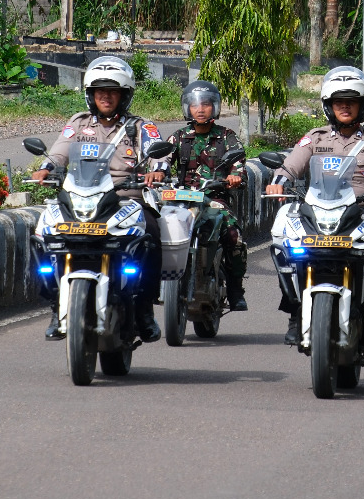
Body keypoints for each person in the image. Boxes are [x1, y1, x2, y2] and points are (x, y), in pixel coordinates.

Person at [265, 67, 364, 358]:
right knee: (287, 252)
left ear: (362, 105)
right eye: (338, 101)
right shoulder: (314, 138)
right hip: (318, 214)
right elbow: (290, 165)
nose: (344, 106)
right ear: (328, 106)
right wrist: (277, 183)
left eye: (351, 101)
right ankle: (294, 312)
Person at [34, 55, 166, 342]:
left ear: (124, 95)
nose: (106, 96)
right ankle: (56, 306)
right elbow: (59, 151)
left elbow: (158, 149)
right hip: (81, 199)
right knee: (43, 235)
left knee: (153, 233)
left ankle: (144, 309)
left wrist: (158, 170)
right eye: (99, 91)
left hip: (124, 199)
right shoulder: (78, 123)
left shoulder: (140, 126)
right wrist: (46, 168)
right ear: (90, 94)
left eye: (113, 91)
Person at [162, 80, 248, 311]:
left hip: (214, 200)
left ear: (216, 107)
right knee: (152, 232)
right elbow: (162, 160)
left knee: (233, 237)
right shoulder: (178, 137)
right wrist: (155, 172)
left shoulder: (227, 136)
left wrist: (234, 176)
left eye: (206, 104)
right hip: (181, 200)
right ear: (187, 108)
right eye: (194, 105)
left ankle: (235, 288)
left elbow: (238, 163)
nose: (200, 109)